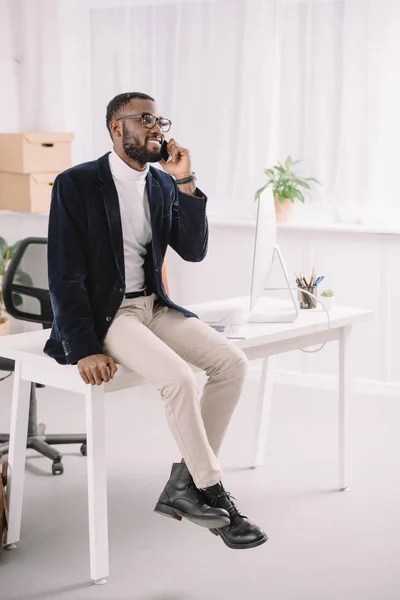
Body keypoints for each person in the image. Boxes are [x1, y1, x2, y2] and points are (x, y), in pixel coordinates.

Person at [44, 92, 267, 550]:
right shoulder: (77, 183)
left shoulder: (162, 183)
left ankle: (183, 485)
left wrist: (184, 181)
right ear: (115, 127)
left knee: (232, 362)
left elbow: (194, 249)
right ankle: (213, 492)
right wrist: (84, 346)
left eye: (159, 120)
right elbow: (63, 272)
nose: (156, 128)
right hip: (108, 314)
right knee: (179, 379)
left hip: (153, 305)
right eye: (144, 119)